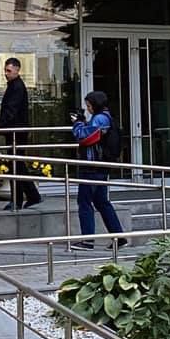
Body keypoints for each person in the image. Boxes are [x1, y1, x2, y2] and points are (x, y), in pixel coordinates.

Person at [71, 90, 126, 250]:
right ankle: (119, 238)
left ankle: (88, 240)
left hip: (93, 166)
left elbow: (84, 137)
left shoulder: (100, 119)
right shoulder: (105, 117)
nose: (87, 109)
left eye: (88, 106)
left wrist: (78, 122)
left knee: (85, 202)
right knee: (102, 202)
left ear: (95, 105)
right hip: (99, 166)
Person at [0, 57, 41, 210]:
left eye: (9, 70)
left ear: (17, 70)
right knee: (16, 164)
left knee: (16, 164)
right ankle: (30, 196)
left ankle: (20, 199)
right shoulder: (15, 86)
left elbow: (11, 109)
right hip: (15, 131)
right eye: (5, 70)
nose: (6, 73)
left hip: (16, 131)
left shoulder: (16, 87)